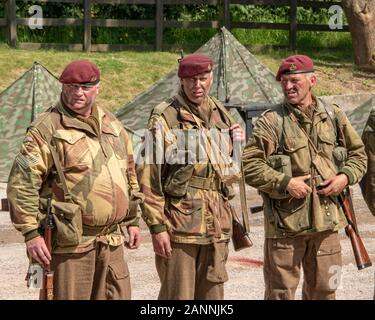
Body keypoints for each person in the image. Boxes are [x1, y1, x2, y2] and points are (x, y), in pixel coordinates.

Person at [7, 60, 144, 300]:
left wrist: (132, 219)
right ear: (62, 87)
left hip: (111, 242)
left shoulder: (112, 124)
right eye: (70, 86)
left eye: (85, 87)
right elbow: (22, 182)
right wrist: (31, 233)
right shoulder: (46, 129)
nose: (77, 93)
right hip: (71, 246)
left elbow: (128, 172)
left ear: (97, 88)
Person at [242, 54, 367, 300]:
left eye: (294, 81)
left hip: (326, 226)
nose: (288, 87)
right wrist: (285, 183)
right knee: (280, 294)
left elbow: (358, 155)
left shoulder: (333, 116)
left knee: (325, 292)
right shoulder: (272, 121)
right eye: (284, 82)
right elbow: (249, 164)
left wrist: (345, 177)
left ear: (313, 80)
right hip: (285, 227)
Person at [137, 53, 245, 300]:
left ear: (211, 77)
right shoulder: (165, 116)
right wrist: (156, 226)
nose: (198, 86)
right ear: (181, 80)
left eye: (203, 79)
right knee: (178, 297)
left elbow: (232, 170)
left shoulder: (219, 112)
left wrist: (236, 145)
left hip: (216, 224)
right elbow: (148, 175)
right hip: (180, 226)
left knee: (212, 298)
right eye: (191, 80)